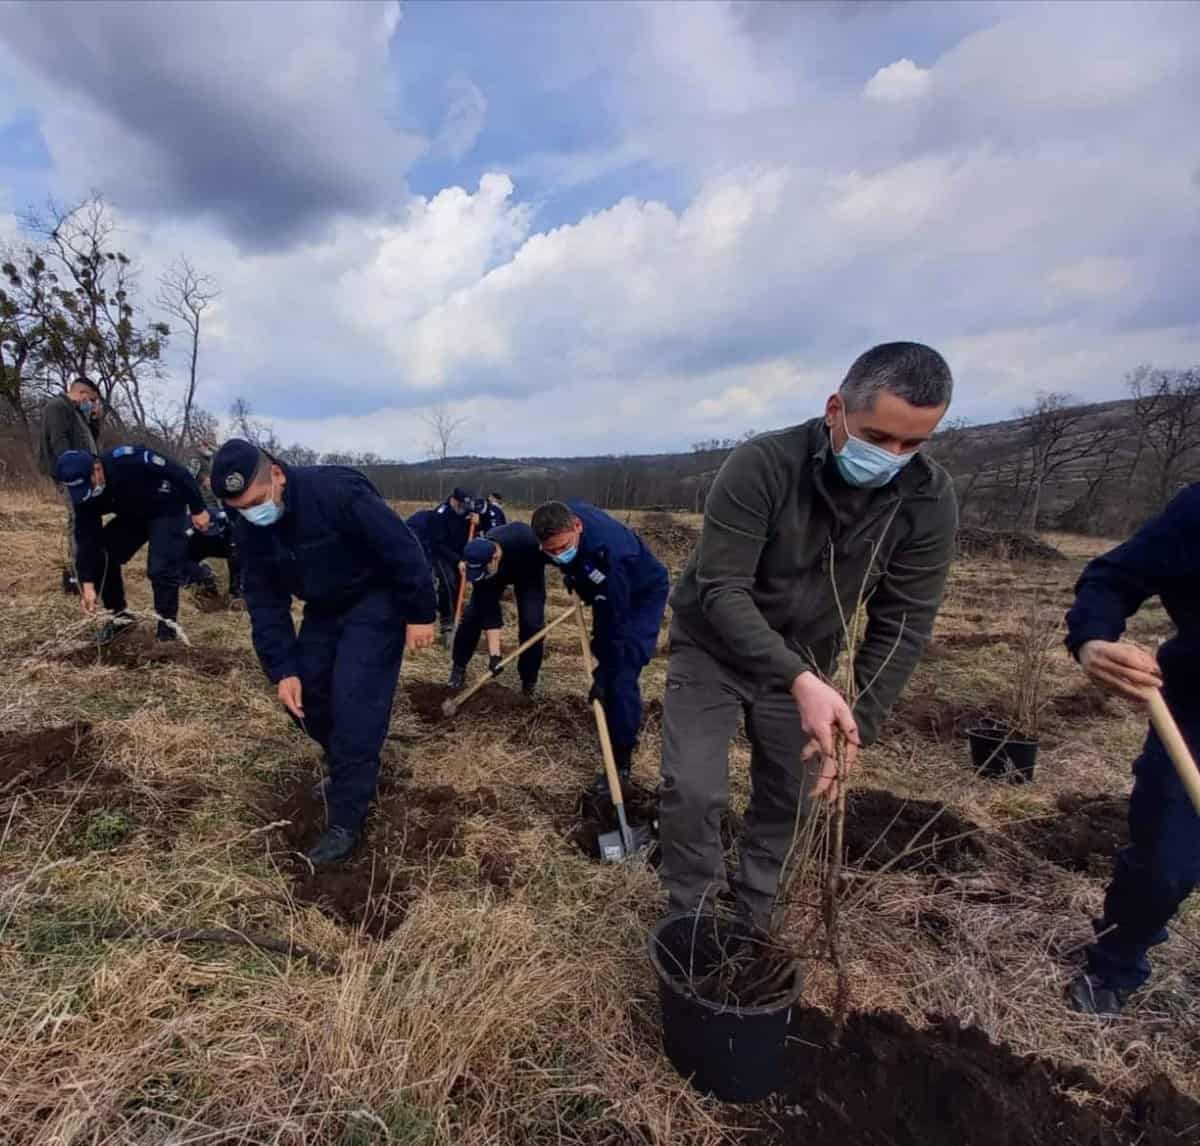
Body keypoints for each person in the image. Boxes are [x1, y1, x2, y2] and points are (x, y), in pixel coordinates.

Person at [659, 342, 957, 930]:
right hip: (713, 647)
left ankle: (754, 916)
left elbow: (904, 621)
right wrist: (796, 678)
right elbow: (722, 590)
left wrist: (857, 725)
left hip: (810, 659)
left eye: (913, 444)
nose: (893, 456)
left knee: (793, 795)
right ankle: (691, 919)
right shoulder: (763, 464)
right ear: (835, 409)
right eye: (878, 437)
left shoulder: (926, 499)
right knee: (693, 789)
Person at [211, 439, 437, 865]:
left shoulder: (337, 494)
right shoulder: (248, 527)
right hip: (325, 608)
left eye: (257, 502)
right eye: (240, 508)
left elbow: (402, 547)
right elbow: (264, 600)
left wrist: (420, 612)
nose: (252, 514)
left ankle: (346, 818)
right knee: (306, 697)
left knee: (355, 701)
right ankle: (350, 766)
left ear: (276, 474)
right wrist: (283, 668)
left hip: (377, 599)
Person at [1063, 487, 1200, 1015]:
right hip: (1194, 723)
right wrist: (1093, 639)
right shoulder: (1199, 512)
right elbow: (1112, 578)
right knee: (1166, 861)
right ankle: (1115, 965)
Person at [531, 499, 669, 792]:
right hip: (606, 590)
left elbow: (615, 624)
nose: (559, 555)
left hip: (641, 594)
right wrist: (572, 573)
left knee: (622, 672)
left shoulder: (613, 556)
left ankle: (620, 762)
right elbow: (566, 558)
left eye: (564, 548)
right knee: (604, 651)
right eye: (551, 552)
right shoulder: (562, 515)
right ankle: (611, 714)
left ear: (577, 526)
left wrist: (604, 673)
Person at [55, 445, 212, 644]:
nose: (88, 492)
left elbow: (178, 472)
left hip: (166, 508)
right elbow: (86, 538)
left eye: (89, 484)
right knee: (102, 554)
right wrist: (87, 584)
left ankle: (167, 633)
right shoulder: (85, 496)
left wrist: (198, 509)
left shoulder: (128, 459)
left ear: (96, 468)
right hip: (134, 516)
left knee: (160, 569)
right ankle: (120, 618)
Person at [448, 523, 547, 698]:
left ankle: (529, 681)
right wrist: (495, 655)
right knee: (472, 616)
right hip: (495, 576)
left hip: (529, 574)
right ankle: (458, 668)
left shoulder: (528, 542)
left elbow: (556, 553)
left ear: (494, 558)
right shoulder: (481, 556)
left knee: (532, 624)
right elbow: (489, 610)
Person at [38, 377, 101, 595]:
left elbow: (89, 439)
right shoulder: (58, 407)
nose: (92, 404)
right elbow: (60, 442)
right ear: (82, 394)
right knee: (78, 521)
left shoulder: (76, 412)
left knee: (84, 519)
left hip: (84, 474)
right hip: (72, 475)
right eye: (91, 400)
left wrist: (94, 420)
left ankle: (84, 569)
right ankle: (75, 575)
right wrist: (72, 471)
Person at [186, 443, 241, 598]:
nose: (208, 447)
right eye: (204, 443)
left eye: (210, 443)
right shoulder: (196, 461)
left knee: (236, 547)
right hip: (199, 509)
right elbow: (188, 477)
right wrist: (203, 480)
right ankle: (199, 578)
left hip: (219, 510)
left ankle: (236, 592)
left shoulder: (215, 461)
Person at [429, 486, 480, 642]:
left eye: (465, 507)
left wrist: (477, 522)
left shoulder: (465, 512)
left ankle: (457, 619)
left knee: (459, 587)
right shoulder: (440, 515)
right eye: (460, 506)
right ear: (453, 500)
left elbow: (478, 527)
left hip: (462, 556)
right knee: (447, 584)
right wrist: (457, 560)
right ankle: (447, 624)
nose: (463, 509)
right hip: (442, 555)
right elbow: (437, 543)